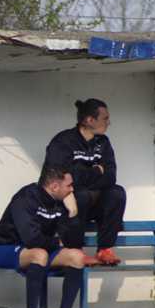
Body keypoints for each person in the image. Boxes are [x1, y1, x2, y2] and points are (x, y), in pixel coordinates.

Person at [0, 165, 86, 308]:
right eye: (69, 185)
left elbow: (74, 242)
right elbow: (31, 239)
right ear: (54, 187)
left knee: (77, 257)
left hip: (43, 248)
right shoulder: (26, 197)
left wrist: (73, 213)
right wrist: (57, 242)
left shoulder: (62, 202)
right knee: (39, 254)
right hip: (6, 248)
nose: (72, 189)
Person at [44, 98, 126, 266]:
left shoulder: (103, 142)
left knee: (117, 193)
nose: (109, 123)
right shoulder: (63, 141)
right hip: (65, 207)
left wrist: (81, 177)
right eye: (105, 118)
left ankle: (105, 249)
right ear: (89, 120)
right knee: (79, 195)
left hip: (90, 204)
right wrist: (96, 171)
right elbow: (60, 178)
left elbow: (110, 176)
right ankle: (75, 251)